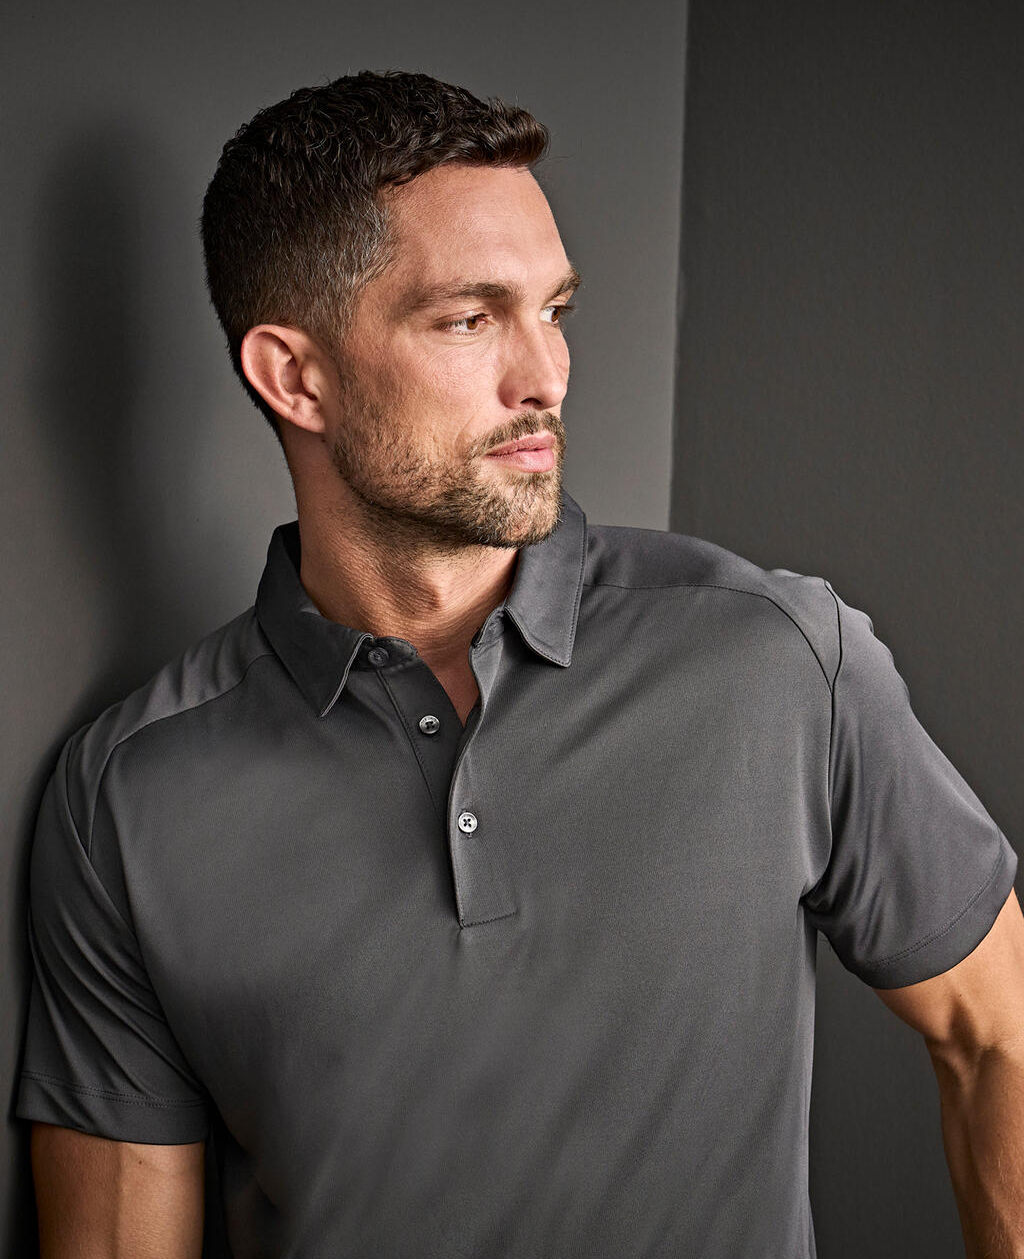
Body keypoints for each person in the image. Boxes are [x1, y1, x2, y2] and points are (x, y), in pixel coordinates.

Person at [15, 69, 1024, 1259]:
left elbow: (998, 1038)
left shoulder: (777, 657)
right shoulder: (127, 793)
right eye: (469, 318)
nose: (543, 374)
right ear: (295, 376)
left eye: (555, 310)